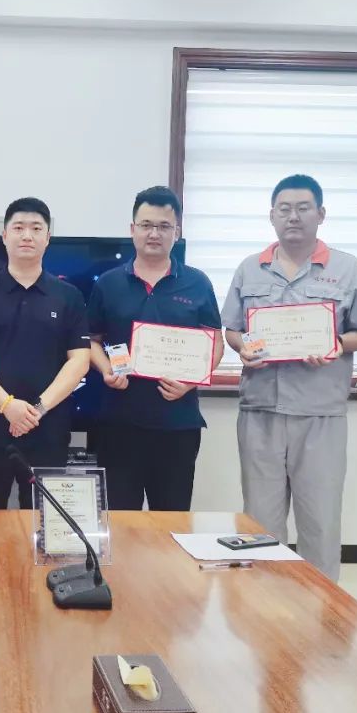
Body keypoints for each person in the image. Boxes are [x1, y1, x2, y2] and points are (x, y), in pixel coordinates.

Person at [221, 174, 357, 581]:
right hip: (261, 411)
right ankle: (264, 605)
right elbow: (232, 329)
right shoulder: (249, 268)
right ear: (272, 216)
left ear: (320, 214)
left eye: (303, 208)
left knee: (320, 520)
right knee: (260, 521)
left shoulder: (348, 269)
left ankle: (322, 609)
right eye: (285, 209)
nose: (293, 216)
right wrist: (243, 347)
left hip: (319, 412)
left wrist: (335, 344)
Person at [87, 186, 223, 511]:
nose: (154, 234)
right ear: (132, 229)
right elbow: (91, 341)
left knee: (172, 521)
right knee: (121, 522)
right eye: (146, 225)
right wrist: (106, 369)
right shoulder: (108, 283)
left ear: (176, 232)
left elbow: (214, 342)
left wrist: (190, 381)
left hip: (178, 425)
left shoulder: (198, 282)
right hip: (119, 424)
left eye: (164, 226)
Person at [0, 197, 91, 509]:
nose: (27, 235)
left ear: (48, 237)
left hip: (49, 431)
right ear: (5, 236)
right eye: (18, 228)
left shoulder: (68, 295)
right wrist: (7, 406)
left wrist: (37, 410)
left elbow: (80, 360)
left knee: (44, 524)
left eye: (36, 228)